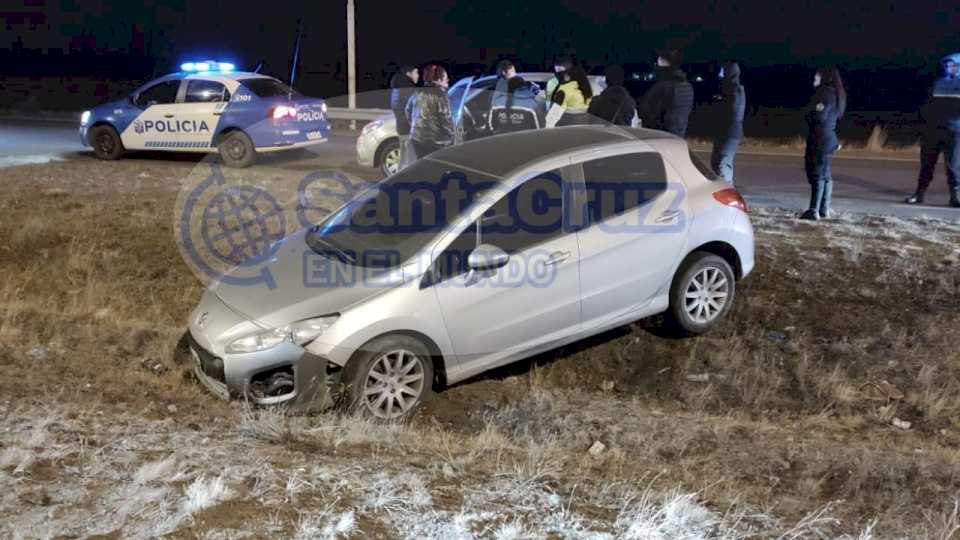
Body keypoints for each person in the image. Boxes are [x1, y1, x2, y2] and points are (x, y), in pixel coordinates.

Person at [905, 53, 960, 208]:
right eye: (946, 65)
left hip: (954, 130)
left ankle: (955, 196)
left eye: (952, 65)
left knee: (953, 166)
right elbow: (927, 106)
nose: (948, 68)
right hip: (932, 130)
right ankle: (919, 193)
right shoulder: (938, 83)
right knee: (927, 164)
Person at [800, 66, 846, 220]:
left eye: (817, 77)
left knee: (817, 174)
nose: (814, 79)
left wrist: (809, 116)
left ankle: (814, 210)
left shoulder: (824, 94)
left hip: (820, 138)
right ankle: (823, 208)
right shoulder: (837, 94)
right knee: (825, 174)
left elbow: (819, 116)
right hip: (829, 138)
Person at [639, 49, 695, 136]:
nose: (656, 67)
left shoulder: (663, 87)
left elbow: (647, 113)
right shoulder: (687, 86)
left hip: (662, 138)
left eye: (658, 63)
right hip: (679, 137)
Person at [406, 64, 456, 159]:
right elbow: (446, 120)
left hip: (416, 138)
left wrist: (415, 126)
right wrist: (453, 138)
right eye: (445, 77)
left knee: (422, 166)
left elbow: (408, 111)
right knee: (436, 169)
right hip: (435, 142)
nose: (448, 80)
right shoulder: (441, 95)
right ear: (438, 80)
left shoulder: (417, 92)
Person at [710, 61, 746, 183]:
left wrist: (720, 102)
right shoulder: (727, 91)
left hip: (730, 132)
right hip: (723, 130)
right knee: (716, 162)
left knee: (723, 163)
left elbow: (732, 112)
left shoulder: (735, 90)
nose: (720, 76)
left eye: (723, 72)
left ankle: (727, 190)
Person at [389, 65, 419, 170]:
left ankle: (400, 182)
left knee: (404, 159)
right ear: (409, 74)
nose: (418, 76)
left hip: (402, 129)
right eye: (416, 73)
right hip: (409, 130)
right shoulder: (407, 90)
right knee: (410, 162)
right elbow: (413, 111)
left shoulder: (397, 90)